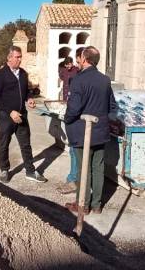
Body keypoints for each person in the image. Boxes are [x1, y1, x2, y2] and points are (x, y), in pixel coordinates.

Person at [63, 46, 117, 215]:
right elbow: (112, 106)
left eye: (80, 58)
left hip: (82, 132)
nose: (78, 61)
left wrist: (67, 119)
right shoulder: (105, 80)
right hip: (101, 132)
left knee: (83, 168)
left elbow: (74, 108)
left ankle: (83, 205)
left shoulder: (79, 80)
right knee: (98, 168)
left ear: (84, 59)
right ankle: (97, 205)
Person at [0, 46, 47, 184]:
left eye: (20, 56)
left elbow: (26, 90)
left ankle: (30, 171)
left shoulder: (23, 73)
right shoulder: (0, 76)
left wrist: (29, 99)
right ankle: (4, 169)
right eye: (17, 57)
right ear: (9, 58)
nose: (20, 59)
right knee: (4, 143)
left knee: (26, 144)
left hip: (22, 115)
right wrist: (10, 112)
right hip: (6, 116)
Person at [56, 48, 84, 195]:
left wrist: (68, 117)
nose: (71, 66)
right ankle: (74, 177)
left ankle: (74, 179)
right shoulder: (64, 71)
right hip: (68, 101)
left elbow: (76, 106)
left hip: (78, 119)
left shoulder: (79, 75)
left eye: (76, 62)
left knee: (74, 150)